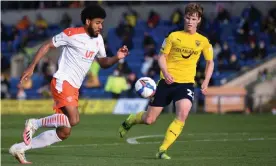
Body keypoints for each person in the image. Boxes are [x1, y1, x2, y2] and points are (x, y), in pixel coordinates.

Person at [9, 5, 129, 164]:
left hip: (74, 87)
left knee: (64, 131)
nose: (101, 26)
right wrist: (31, 67)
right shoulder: (71, 34)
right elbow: (46, 46)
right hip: (63, 81)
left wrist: (117, 57)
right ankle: (34, 123)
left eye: (102, 23)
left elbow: (103, 62)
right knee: (73, 119)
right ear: (88, 21)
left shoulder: (98, 39)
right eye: (98, 23)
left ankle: (20, 148)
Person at [118, 3, 214, 159]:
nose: (190, 21)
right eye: (188, 18)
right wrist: (166, 72)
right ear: (184, 18)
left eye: (194, 19)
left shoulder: (203, 41)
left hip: (186, 83)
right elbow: (162, 57)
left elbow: (210, 62)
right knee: (149, 120)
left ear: (199, 21)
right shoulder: (173, 36)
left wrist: (206, 81)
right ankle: (131, 120)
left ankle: (162, 150)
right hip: (167, 81)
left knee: (182, 113)